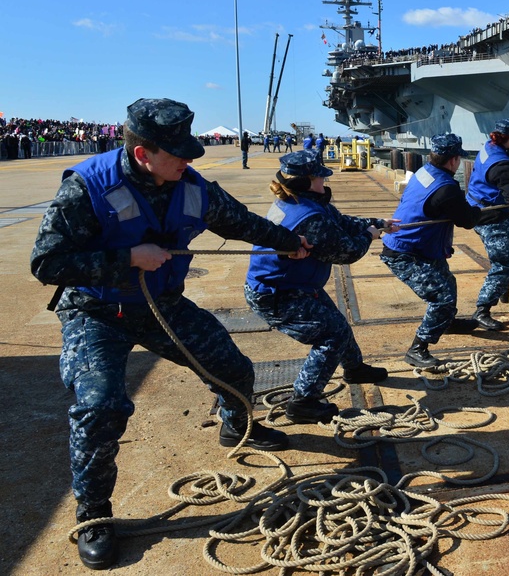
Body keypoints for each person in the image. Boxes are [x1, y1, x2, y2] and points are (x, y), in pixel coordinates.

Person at [29, 98, 310, 570]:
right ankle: (94, 514)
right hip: (98, 312)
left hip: (164, 304)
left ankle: (236, 427)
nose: (189, 160)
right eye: (178, 153)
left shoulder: (192, 188)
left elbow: (242, 222)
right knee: (99, 407)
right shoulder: (88, 187)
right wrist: (127, 260)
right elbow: (46, 263)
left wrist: (290, 244)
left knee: (234, 369)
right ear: (144, 154)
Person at [244, 150, 397, 422]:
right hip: (276, 293)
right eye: (320, 178)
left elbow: (341, 223)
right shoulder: (309, 216)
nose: (325, 182)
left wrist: (378, 223)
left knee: (336, 323)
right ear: (306, 182)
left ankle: (354, 369)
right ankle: (303, 401)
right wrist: (370, 235)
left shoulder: (301, 201)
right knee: (332, 334)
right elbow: (346, 252)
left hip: (295, 284)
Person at [380, 134, 482, 367]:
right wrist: (478, 210)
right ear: (453, 160)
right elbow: (467, 220)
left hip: (419, 247)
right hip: (406, 253)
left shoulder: (424, 172)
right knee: (441, 298)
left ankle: (446, 322)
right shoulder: (446, 189)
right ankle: (417, 348)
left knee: (448, 281)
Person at [465, 118, 509, 330]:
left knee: (505, 260)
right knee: (505, 264)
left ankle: (500, 292)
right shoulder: (503, 165)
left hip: (477, 208)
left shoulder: (489, 148)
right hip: (491, 218)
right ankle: (482, 310)